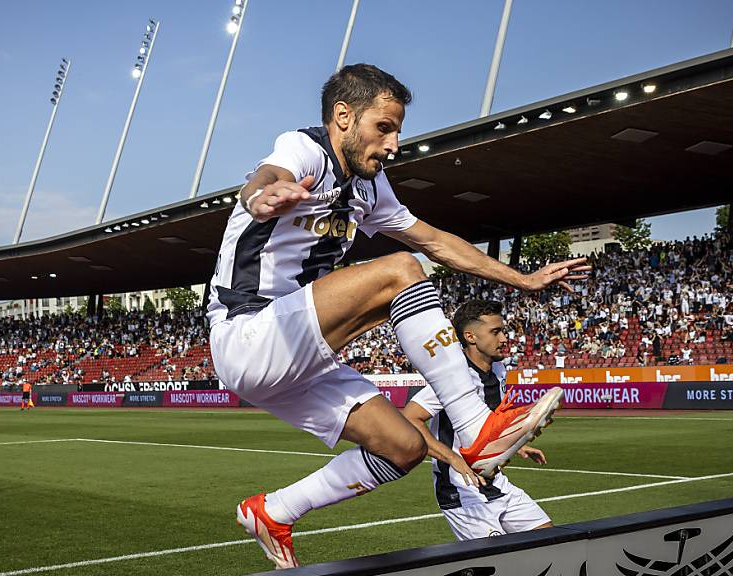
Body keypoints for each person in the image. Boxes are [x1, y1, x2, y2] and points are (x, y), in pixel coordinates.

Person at [207, 64, 588, 568]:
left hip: (300, 355)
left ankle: (275, 511)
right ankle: (475, 425)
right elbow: (267, 175)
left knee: (404, 447)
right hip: (251, 332)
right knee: (401, 271)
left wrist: (524, 279)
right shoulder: (307, 151)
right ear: (343, 117)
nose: (393, 144)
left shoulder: (370, 189)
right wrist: (262, 196)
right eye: (383, 127)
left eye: (397, 130)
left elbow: (436, 241)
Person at [402, 300, 555, 540]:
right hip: (461, 489)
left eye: (503, 330)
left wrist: (517, 443)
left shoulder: (499, 369)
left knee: (547, 540)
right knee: (496, 562)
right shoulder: (452, 376)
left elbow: (491, 418)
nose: (504, 338)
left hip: (496, 482)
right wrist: (452, 459)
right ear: (470, 336)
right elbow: (409, 418)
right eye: (495, 332)